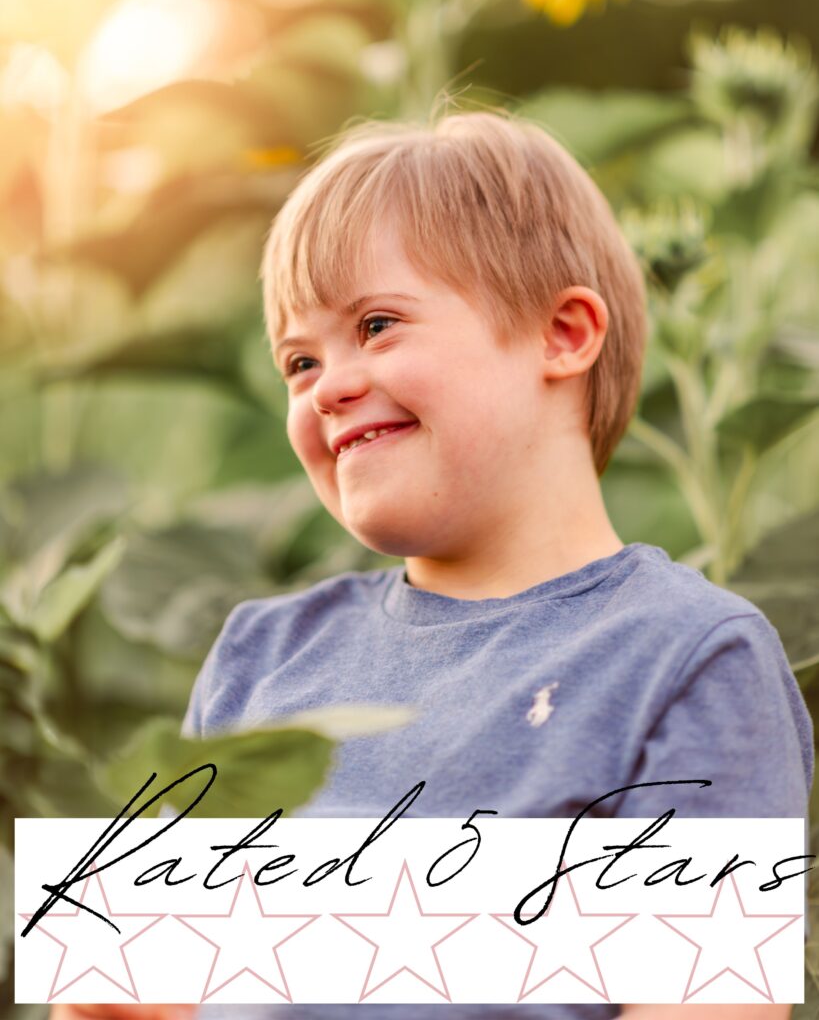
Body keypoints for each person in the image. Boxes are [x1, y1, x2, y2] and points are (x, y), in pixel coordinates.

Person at [52, 109, 811, 1020]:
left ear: (563, 334)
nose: (326, 387)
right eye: (299, 362)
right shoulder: (261, 655)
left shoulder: (687, 657)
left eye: (376, 325)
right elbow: (126, 987)